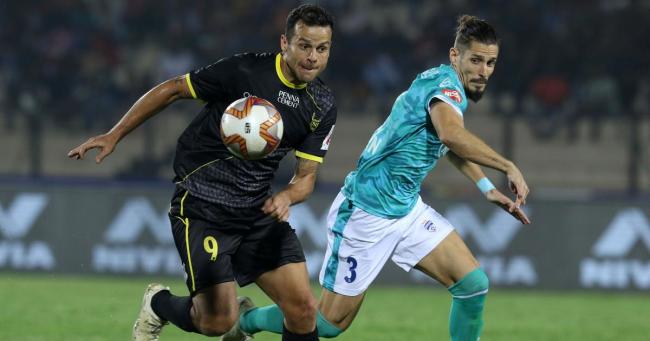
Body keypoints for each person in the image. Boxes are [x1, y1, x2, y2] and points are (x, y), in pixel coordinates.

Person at [230, 15, 531, 341]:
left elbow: (447, 141)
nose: (484, 70)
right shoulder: (446, 88)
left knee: (472, 285)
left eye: (490, 62)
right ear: (455, 56)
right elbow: (451, 136)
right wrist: (507, 165)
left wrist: (485, 186)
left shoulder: (443, 84)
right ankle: (246, 320)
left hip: (406, 209)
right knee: (329, 324)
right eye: (476, 60)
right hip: (365, 212)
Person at [68, 4, 337, 341]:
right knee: (216, 322)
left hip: (256, 209)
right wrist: (114, 134)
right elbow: (174, 88)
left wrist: (286, 195)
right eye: (304, 45)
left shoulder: (321, 105)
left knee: (303, 311)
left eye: (322, 48)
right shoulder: (244, 71)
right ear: (285, 43)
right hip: (203, 205)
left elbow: (306, 178)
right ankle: (158, 304)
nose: (312, 56)